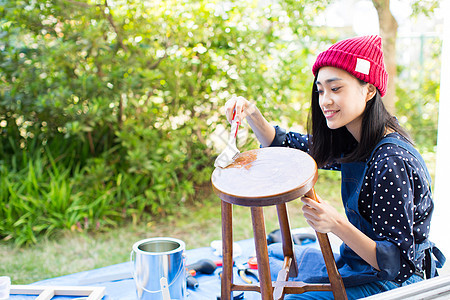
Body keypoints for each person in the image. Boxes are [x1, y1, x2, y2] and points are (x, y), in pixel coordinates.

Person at [223, 35, 445, 299]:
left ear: (369, 90)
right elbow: (285, 144)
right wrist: (252, 113)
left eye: (336, 88)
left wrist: (336, 223)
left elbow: (395, 264)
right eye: (320, 90)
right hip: (359, 264)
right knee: (269, 258)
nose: (325, 100)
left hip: (394, 283)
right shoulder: (356, 140)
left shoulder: (391, 161)